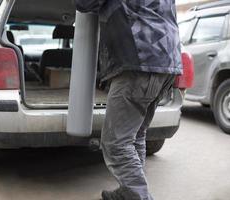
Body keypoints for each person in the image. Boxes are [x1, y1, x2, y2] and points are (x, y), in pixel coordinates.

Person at [74, 0, 182, 200]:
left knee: (115, 143)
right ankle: (129, 190)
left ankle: (138, 195)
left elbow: (84, 3)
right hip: (167, 63)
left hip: (139, 62)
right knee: (136, 135)